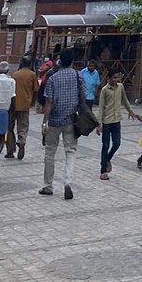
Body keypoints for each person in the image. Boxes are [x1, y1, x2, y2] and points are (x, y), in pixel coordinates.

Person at [39, 47, 82, 200]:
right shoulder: (78, 76)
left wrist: (45, 122)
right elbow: (82, 97)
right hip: (71, 120)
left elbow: (48, 103)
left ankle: (48, 185)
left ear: (59, 61)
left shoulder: (53, 78)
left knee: (50, 152)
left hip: (54, 121)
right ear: (72, 61)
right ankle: (68, 182)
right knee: (70, 151)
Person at [95, 66, 138, 179]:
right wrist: (99, 124)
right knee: (105, 145)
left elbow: (125, 100)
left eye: (118, 77)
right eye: (114, 78)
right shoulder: (105, 90)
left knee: (117, 143)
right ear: (109, 78)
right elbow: (101, 107)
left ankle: (107, 159)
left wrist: (131, 111)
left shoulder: (120, 87)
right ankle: (103, 170)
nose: (116, 80)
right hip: (107, 121)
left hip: (117, 120)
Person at [9, 56, 38, 159]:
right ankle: (21, 141)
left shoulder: (14, 74)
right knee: (23, 126)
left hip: (13, 103)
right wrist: (32, 102)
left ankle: (10, 150)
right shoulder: (32, 75)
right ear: (30, 64)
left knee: (10, 127)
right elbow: (35, 90)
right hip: (25, 103)